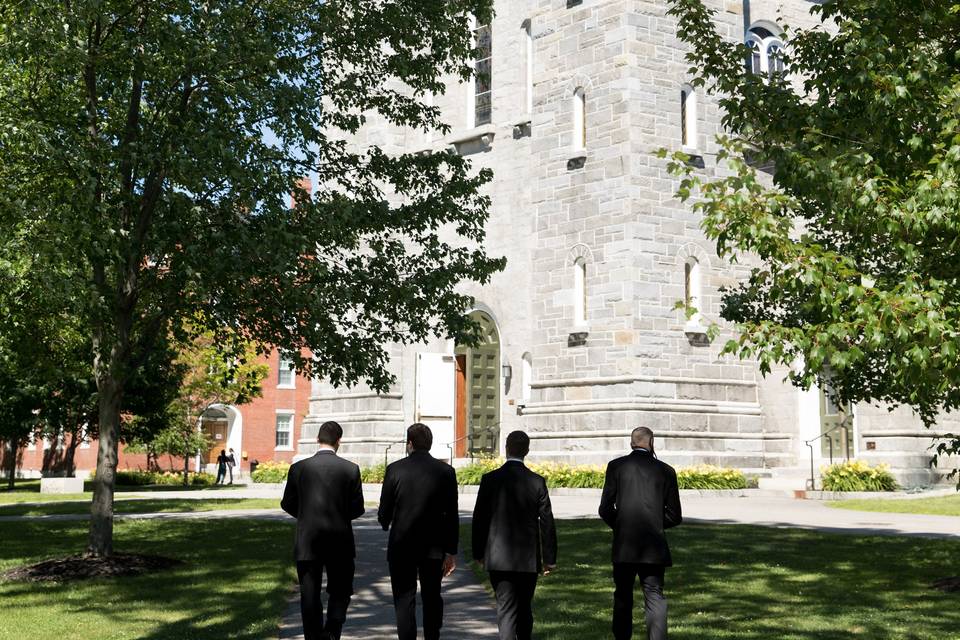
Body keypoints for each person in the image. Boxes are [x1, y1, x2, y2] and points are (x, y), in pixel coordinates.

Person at [281, 421, 365, 640]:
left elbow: (287, 502)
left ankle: (313, 634)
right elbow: (358, 508)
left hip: (308, 539)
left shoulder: (299, 468)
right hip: (340, 539)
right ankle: (333, 629)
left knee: (309, 593)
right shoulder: (350, 469)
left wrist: (305, 516)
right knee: (341, 589)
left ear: (317, 440)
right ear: (339, 442)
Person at [472, 430, 557, 640]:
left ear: (506, 448)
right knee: (525, 606)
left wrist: (478, 552)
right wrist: (549, 559)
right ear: (527, 451)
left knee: (506, 608)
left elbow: (479, 518)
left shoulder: (490, 479)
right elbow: (547, 522)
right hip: (527, 558)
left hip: (498, 555)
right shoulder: (537, 481)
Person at [599, 427, 682, 640]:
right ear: (651, 442)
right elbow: (674, 515)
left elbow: (605, 508)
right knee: (654, 596)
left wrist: (621, 525)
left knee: (623, 596)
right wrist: (654, 522)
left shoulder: (616, 467)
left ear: (631, 443)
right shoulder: (666, 470)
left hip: (625, 544)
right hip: (653, 544)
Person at [378, 423, 459, 640]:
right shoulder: (446, 472)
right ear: (430, 444)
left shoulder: (395, 469)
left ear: (410, 443)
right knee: (432, 597)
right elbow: (452, 514)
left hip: (402, 544)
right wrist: (451, 550)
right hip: (433, 547)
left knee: (404, 599)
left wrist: (385, 522)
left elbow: (384, 509)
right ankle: (432, 636)